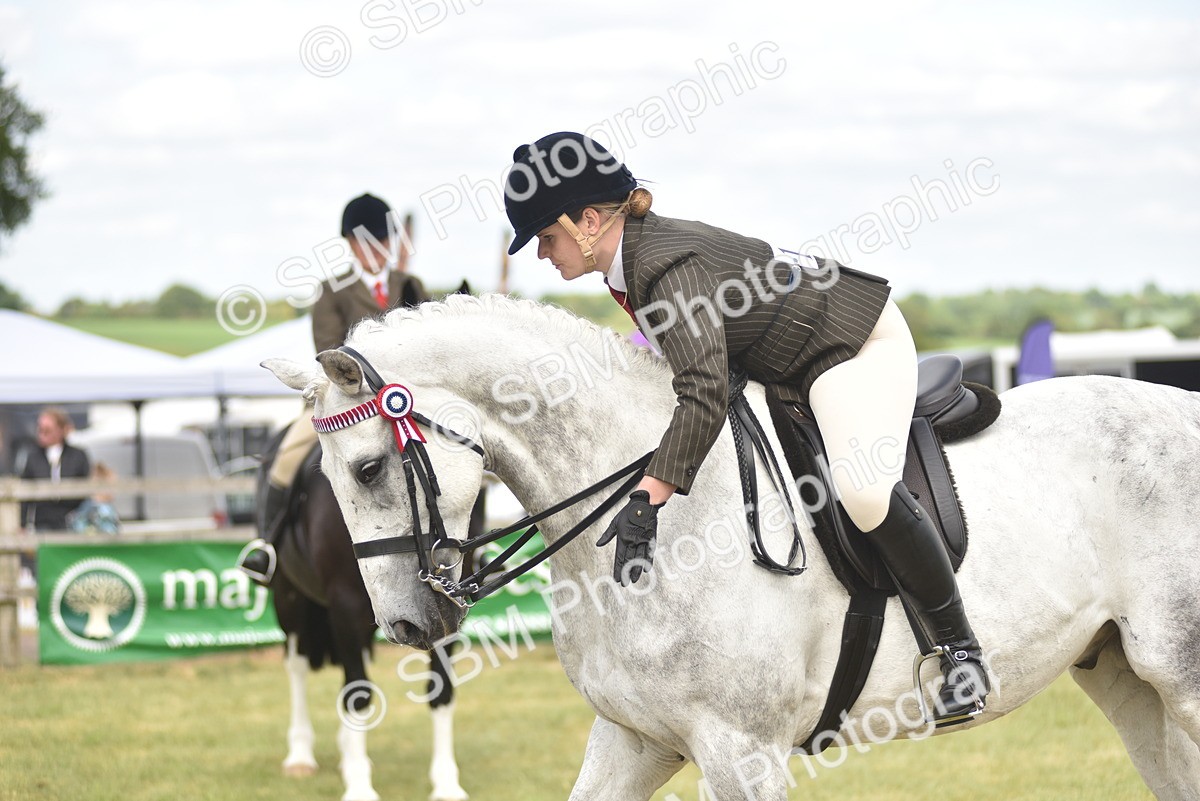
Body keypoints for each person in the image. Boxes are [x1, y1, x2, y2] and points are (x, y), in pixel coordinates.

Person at [502, 132, 989, 723]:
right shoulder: (630, 263)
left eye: (546, 237)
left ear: (586, 220)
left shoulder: (659, 265)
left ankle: (960, 651)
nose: (540, 254)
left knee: (861, 492)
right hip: (790, 361)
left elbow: (702, 393)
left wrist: (647, 498)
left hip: (849, 347)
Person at [239, 193, 429, 584]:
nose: (377, 249)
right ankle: (267, 545)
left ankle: (472, 545)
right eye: (367, 241)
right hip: (344, 403)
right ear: (351, 245)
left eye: (384, 239)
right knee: (287, 455)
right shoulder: (332, 290)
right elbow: (326, 350)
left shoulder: (410, 284)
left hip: (406, 405)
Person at [19, 407, 91, 531]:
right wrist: (22, 524)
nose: (42, 434)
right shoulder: (33, 458)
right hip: (44, 522)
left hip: (74, 522)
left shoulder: (78, 456)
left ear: (61, 430)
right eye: (40, 430)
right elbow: (25, 494)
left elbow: (88, 490)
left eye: (47, 430)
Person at [67, 462, 121, 534]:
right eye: (113, 488)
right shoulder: (105, 509)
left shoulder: (84, 506)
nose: (115, 493)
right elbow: (111, 532)